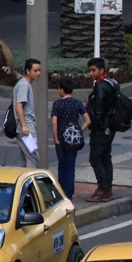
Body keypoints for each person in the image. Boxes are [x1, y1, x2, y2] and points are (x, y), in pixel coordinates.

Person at [50, 78, 90, 198]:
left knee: (61, 165)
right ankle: (69, 193)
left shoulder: (57, 104)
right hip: (73, 140)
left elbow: (54, 122)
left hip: (61, 140)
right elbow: (88, 121)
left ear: (61, 90)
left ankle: (60, 192)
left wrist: (56, 138)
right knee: (70, 166)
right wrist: (78, 132)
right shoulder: (77, 103)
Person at [85, 58, 117, 202]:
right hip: (110, 126)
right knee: (105, 157)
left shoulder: (101, 87)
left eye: (93, 70)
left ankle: (103, 188)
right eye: (90, 70)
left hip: (102, 128)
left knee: (95, 158)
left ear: (101, 70)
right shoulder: (111, 82)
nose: (91, 73)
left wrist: (94, 125)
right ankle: (107, 188)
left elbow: (98, 110)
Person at [12, 58, 41, 168]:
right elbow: (19, 105)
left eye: (39, 70)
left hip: (25, 127)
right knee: (33, 157)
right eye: (35, 70)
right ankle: (29, 184)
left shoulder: (23, 84)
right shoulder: (24, 85)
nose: (38, 73)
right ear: (28, 71)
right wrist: (24, 125)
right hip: (26, 128)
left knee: (24, 158)